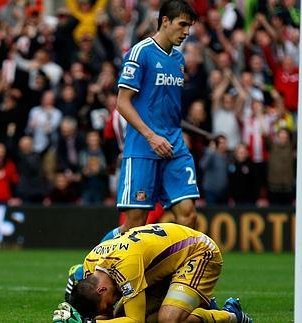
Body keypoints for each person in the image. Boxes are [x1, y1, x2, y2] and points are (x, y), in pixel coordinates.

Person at [111, 0, 200, 237]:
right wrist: (151, 137)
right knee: (133, 226)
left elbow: (166, 109)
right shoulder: (141, 53)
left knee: (188, 214)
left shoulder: (178, 61)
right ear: (165, 21)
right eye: (182, 25)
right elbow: (122, 102)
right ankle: (88, 268)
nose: (186, 32)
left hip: (174, 146)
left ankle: (174, 274)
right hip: (143, 147)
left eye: (189, 27)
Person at [53, 223, 253, 323]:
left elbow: (135, 321)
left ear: (101, 289)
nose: (111, 303)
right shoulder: (90, 263)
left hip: (199, 252)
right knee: (118, 315)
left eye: (108, 301)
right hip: (165, 266)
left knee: (167, 320)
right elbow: (108, 315)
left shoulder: (125, 265)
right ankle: (204, 303)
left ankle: (230, 316)